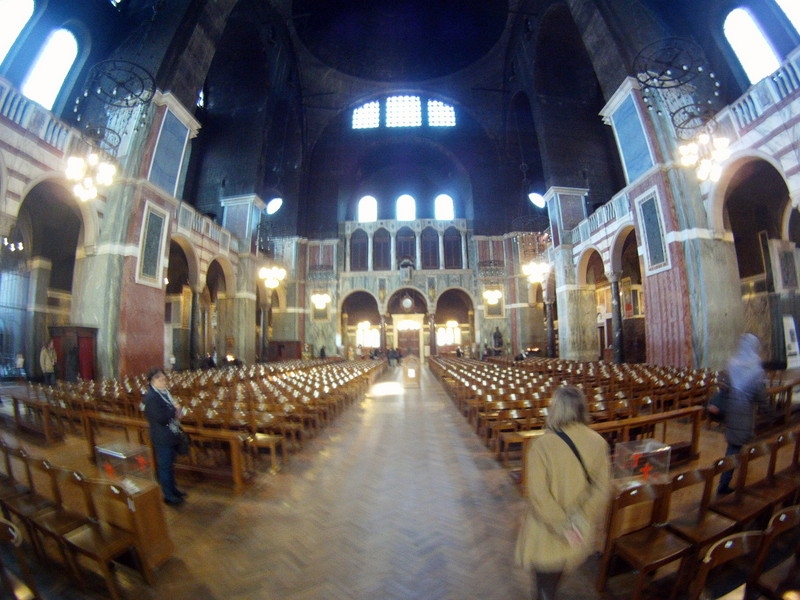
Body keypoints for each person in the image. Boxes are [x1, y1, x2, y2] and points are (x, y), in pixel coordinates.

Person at [515, 385, 611, 600]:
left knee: (544, 588)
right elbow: (602, 488)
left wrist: (562, 524)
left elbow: (538, 495)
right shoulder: (597, 442)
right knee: (557, 578)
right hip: (578, 530)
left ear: (555, 409)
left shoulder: (542, 445)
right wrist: (579, 520)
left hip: (547, 530)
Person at [714, 333, 767, 495]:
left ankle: (728, 481)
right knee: (734, 451)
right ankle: (724, 485)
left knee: (734, 449)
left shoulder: (733, 364)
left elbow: (724, 388)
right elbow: (760, 395)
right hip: (744, 416)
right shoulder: (755, 367)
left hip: (732, 414)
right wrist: (768, 411)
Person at [142, 368, 187, 506]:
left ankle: (173, 490)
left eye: (164, 379)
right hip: (162, 436)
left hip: (171, 433)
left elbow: (170, 411)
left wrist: (177, 410)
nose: (163, 381)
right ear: (151, 381)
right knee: (165, 467)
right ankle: (168, 495)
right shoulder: (151, 397)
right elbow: (160, 418)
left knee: (170, 465)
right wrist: (175, 409)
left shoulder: (165, 393)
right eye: (159, 379)